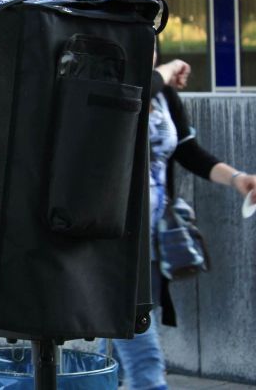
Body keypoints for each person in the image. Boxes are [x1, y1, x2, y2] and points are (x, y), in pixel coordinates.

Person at [105, 51, 256, 390]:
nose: (151, 49)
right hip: (115, 237)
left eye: (153, 42)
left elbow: (188, 151)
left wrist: (238, 179)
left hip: (154, 234)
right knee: (137, 336)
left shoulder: (163, 91)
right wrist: (168, 69)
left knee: (117, 337)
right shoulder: (109, 85)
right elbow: (141, 92)